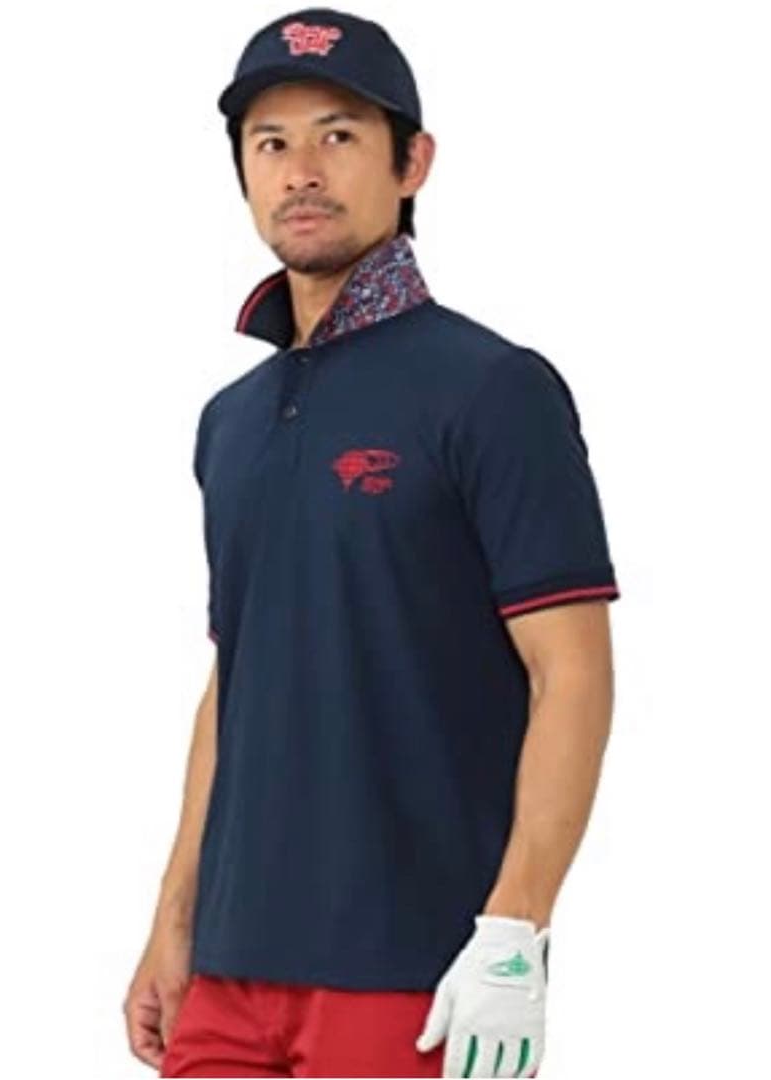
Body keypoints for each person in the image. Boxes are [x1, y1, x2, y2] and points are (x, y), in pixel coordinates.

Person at [122, 8, 621, 1078]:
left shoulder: (493, 390)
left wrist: (515, 927)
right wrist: (173, 921)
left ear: (413, 163)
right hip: (230, 974)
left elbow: (571, 671)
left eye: (339, 135)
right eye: (271, 143)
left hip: (414, 970)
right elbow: (234, 681)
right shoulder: (230, 421)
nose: (301, 170)